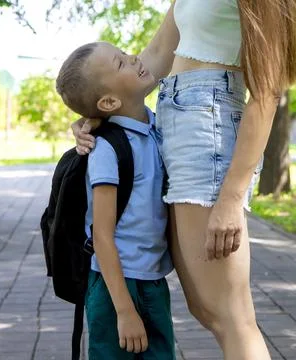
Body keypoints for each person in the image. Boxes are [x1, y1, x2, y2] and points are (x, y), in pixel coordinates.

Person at [71, 1, 296, 359]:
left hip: (207, 124)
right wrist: (95, 112)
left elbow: (267, 92)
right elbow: (158, 53)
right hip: (174, 121)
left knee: (231, 316)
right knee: (207, 309)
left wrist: (231, 199)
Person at [56, 41, 175, 359]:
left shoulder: (153, 126)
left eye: (125, 54)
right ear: (108, 100)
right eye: (121, 63)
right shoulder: (106, 150)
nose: (134, 58)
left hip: (151, 279)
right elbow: (102, 236)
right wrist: (124, 311)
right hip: (116, 287)